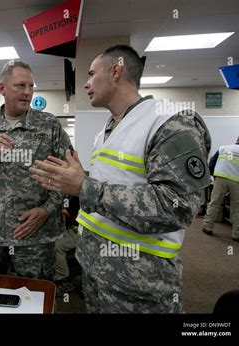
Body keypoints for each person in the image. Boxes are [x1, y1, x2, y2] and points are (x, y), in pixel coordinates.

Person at [30, 45, 211, 313]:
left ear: (115, 71)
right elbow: (122, 183)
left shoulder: (169, 123)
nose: (86, 83)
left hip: (139, 286)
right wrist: (78, 178)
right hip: (99, 275)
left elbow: (178, 207)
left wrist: (85, 186)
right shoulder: (110, 128)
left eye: (91, 74)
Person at [0, 59, 71, 280]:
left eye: (31, 86)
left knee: (34, 295)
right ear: (2, 88)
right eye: (20, 85)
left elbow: (69, 175)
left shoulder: (49, 125)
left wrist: (47, 209)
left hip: (34, 235)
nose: (28, 92)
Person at [202, 133, 239, 241]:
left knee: (214, 203)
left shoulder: (223, 148)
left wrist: (216, 176)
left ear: (237, 139)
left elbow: (211, 165)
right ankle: (237, 235)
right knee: (238, 209)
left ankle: (207, 227)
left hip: (220, 179)